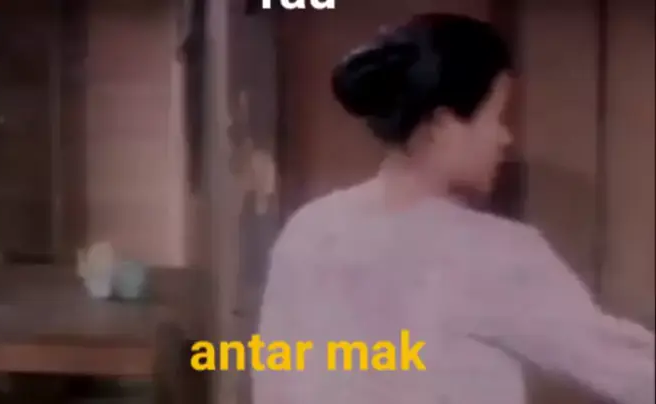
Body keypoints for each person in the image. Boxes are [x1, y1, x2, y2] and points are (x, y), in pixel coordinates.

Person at [253, 13, 655, 404]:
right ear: (443, 124)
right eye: (496, 117)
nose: (504, 138)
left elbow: (274, 380)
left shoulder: (311, 229)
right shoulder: (493, 251)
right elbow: (629, 370)